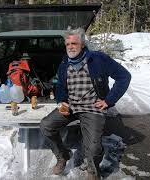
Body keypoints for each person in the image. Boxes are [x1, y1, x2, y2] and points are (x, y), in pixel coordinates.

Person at [40, 28, 131, 180]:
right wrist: (61, 101)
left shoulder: (98, 59)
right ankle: (63, 155)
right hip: (71, 106)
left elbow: (124, 77)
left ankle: (93, 170)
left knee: (94, 147)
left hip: (93, 108)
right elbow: (60, 86)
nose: (70, 46)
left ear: (82, 44)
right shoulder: (64, 63)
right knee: (45, 126)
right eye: (67, 43)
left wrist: (108, 100)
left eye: (74, 43)